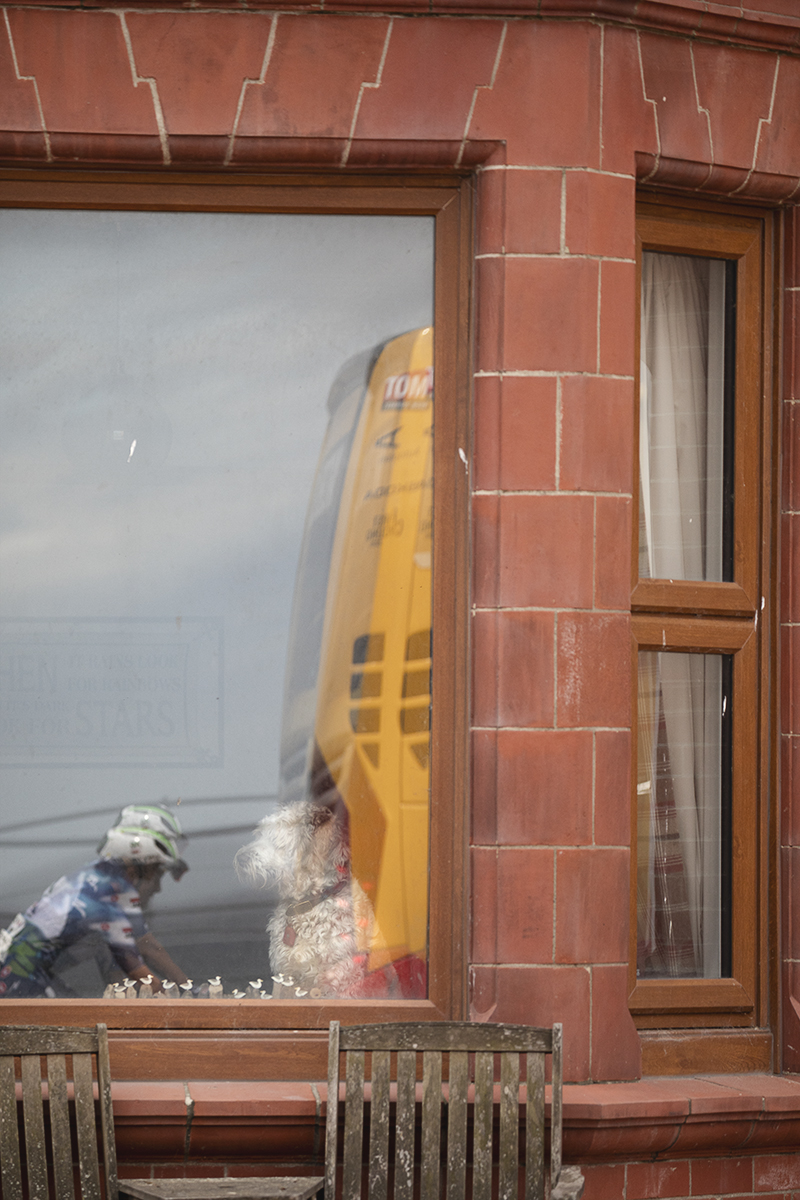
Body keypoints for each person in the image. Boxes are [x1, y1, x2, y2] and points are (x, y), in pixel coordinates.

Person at [0, 804, 190, 998]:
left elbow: (132, 954)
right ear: (137, 868)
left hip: (23, 971)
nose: (157, 887)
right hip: (19, 976)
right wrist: (182, 997)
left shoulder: (101, 878)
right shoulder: (106, 900)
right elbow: (139, 962)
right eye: (156, 873)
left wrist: (184, 988)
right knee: (75, 1017)